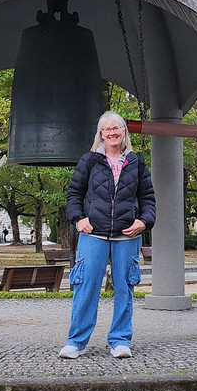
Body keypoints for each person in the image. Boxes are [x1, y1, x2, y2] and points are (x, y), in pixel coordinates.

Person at [59, 111, 155, 360]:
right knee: (86, 288)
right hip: (94, 235)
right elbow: (73, 195)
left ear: (124, 131)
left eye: (117, 128)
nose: (112, 133)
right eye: (107, 129)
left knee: (125, 289)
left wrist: (144, 221)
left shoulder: (137, 161)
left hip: (127, 235)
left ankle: (120, 340)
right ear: (100, 134)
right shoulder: (89, 160)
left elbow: (148, 198)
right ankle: (76, 342)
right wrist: (79, 219)